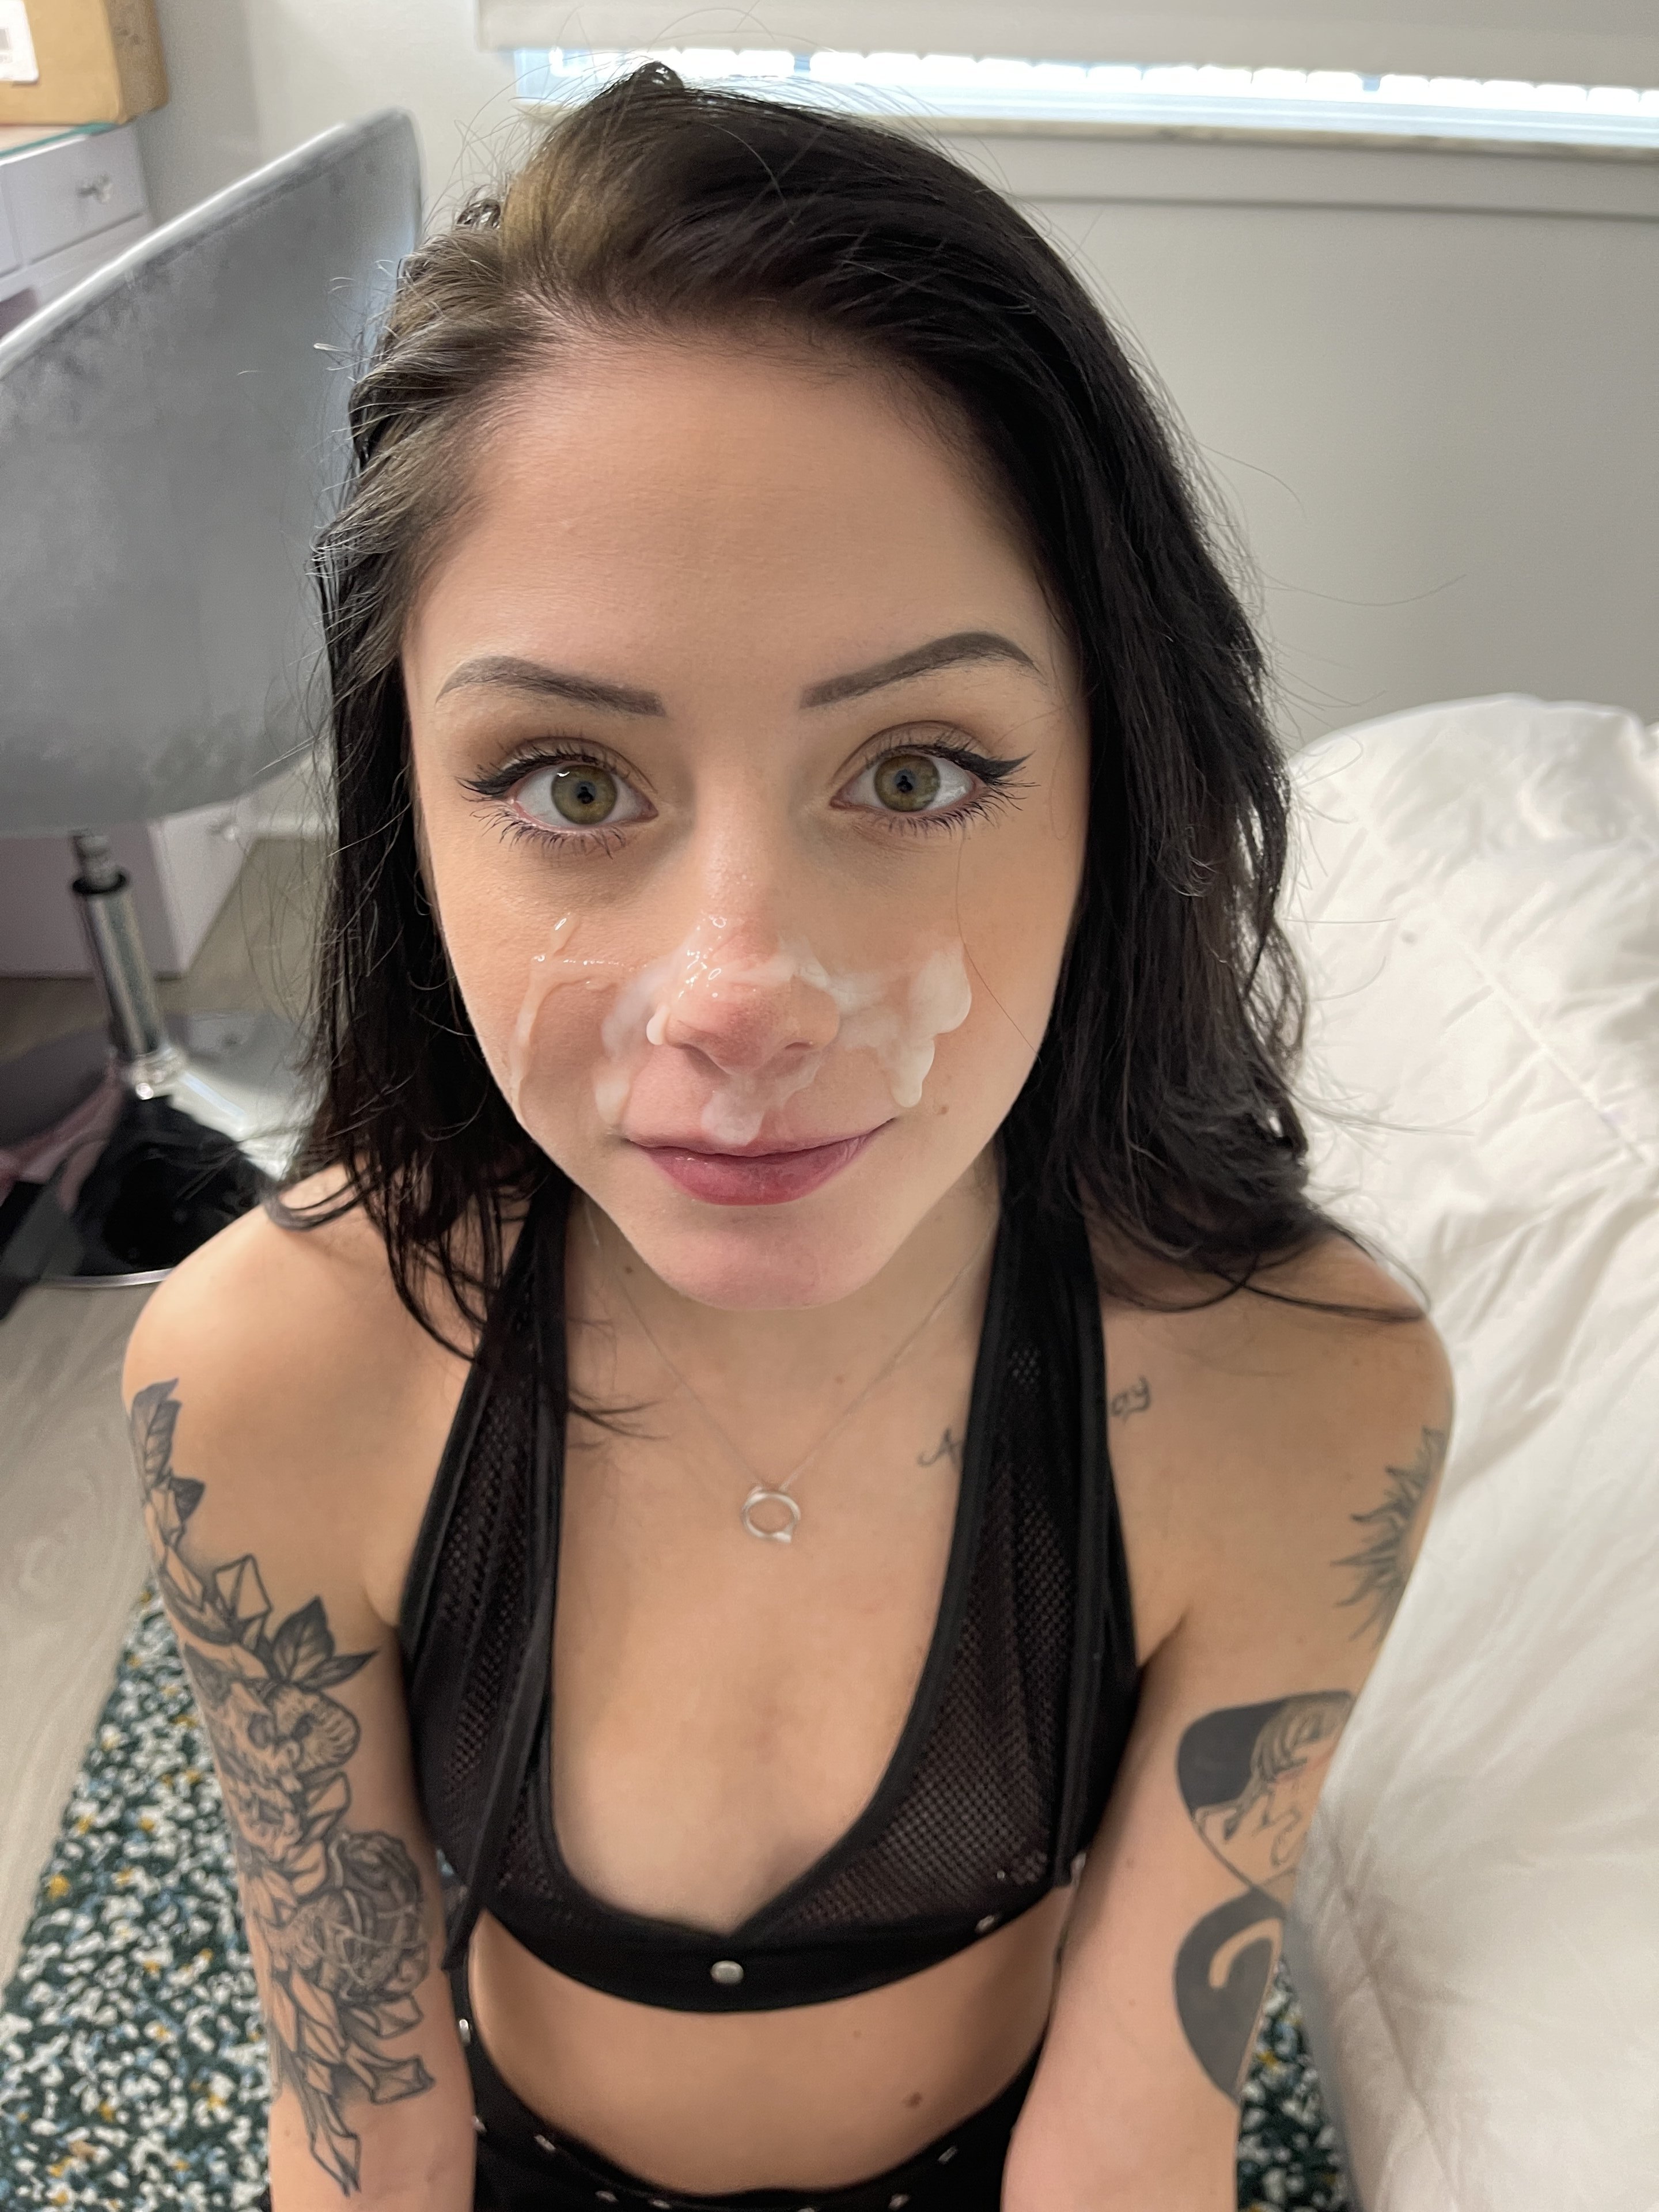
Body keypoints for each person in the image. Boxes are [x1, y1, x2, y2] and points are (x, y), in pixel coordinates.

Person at [123, 65, 1452, 2212]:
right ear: (406, 813)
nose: (740, 998)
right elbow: (362, 2126)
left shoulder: (1305, 1393)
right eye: (570, 783)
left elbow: (1134, 2143)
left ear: (1118, 783)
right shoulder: (265, 1379)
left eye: (917, 772)